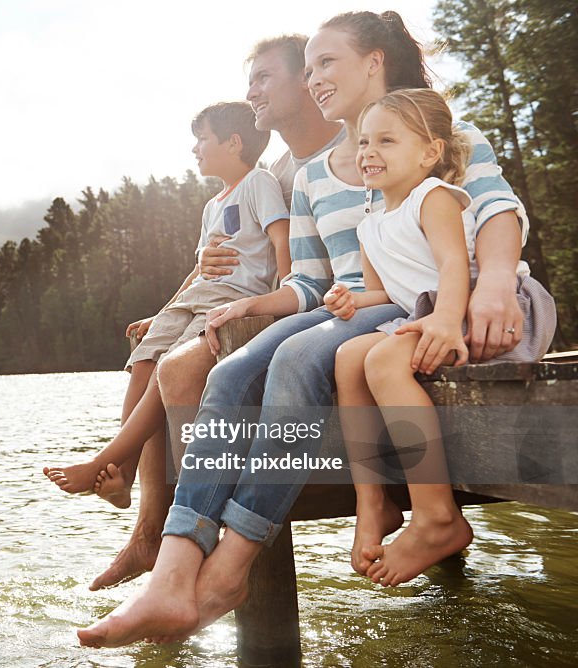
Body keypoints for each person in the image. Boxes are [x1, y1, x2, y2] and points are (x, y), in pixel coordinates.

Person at [78, 10, 532, 648]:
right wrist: (249, 307)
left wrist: (492, 285)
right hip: (355, 304)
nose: (315, 78)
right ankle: (175, 569)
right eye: (310, 66)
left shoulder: (441, 137)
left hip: (420, 302)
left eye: (326, 63)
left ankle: (230, 568)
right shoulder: (315, 174)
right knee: (233, 371)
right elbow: (314, 282)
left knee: (293, 364)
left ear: (374, 62)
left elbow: (495, 211)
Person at [87, 34, 345, 591]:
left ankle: (171, 529)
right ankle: (149, 530)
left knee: (178, 366)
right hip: (281, 303)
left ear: (307, 80)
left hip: (325, 308)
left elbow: (290, 259)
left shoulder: (358, 144)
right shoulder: (275, 172)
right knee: (156, 355)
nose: (251, 91)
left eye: (263, 78)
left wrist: (265, 300)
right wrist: (203, 269)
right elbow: (253, 244)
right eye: (249, 80)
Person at [330, 88, 555, 586]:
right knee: (349, 357)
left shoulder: (433, 198)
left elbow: (454, 263)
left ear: (429, 153)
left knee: (384, 362)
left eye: (386, 141)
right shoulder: (369, 226)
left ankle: (437, 517)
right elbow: (383, 293)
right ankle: (373, 502)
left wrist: (448, 320)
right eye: (364, 141)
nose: (369, 152)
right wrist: (349, 301)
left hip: (484, 308)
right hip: (434, 312)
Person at [43, 101, 291, 504]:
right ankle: (122, 473)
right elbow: (198, 271)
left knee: (167, 367)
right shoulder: (212, 204)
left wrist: (280, 296)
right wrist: (162, 313)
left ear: (233, 143)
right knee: (143, 359)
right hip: (196, 297)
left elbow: (281, 238)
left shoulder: (258, 184)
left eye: (202, 139)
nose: (195, 149)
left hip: (234, 299)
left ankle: (105, 460)